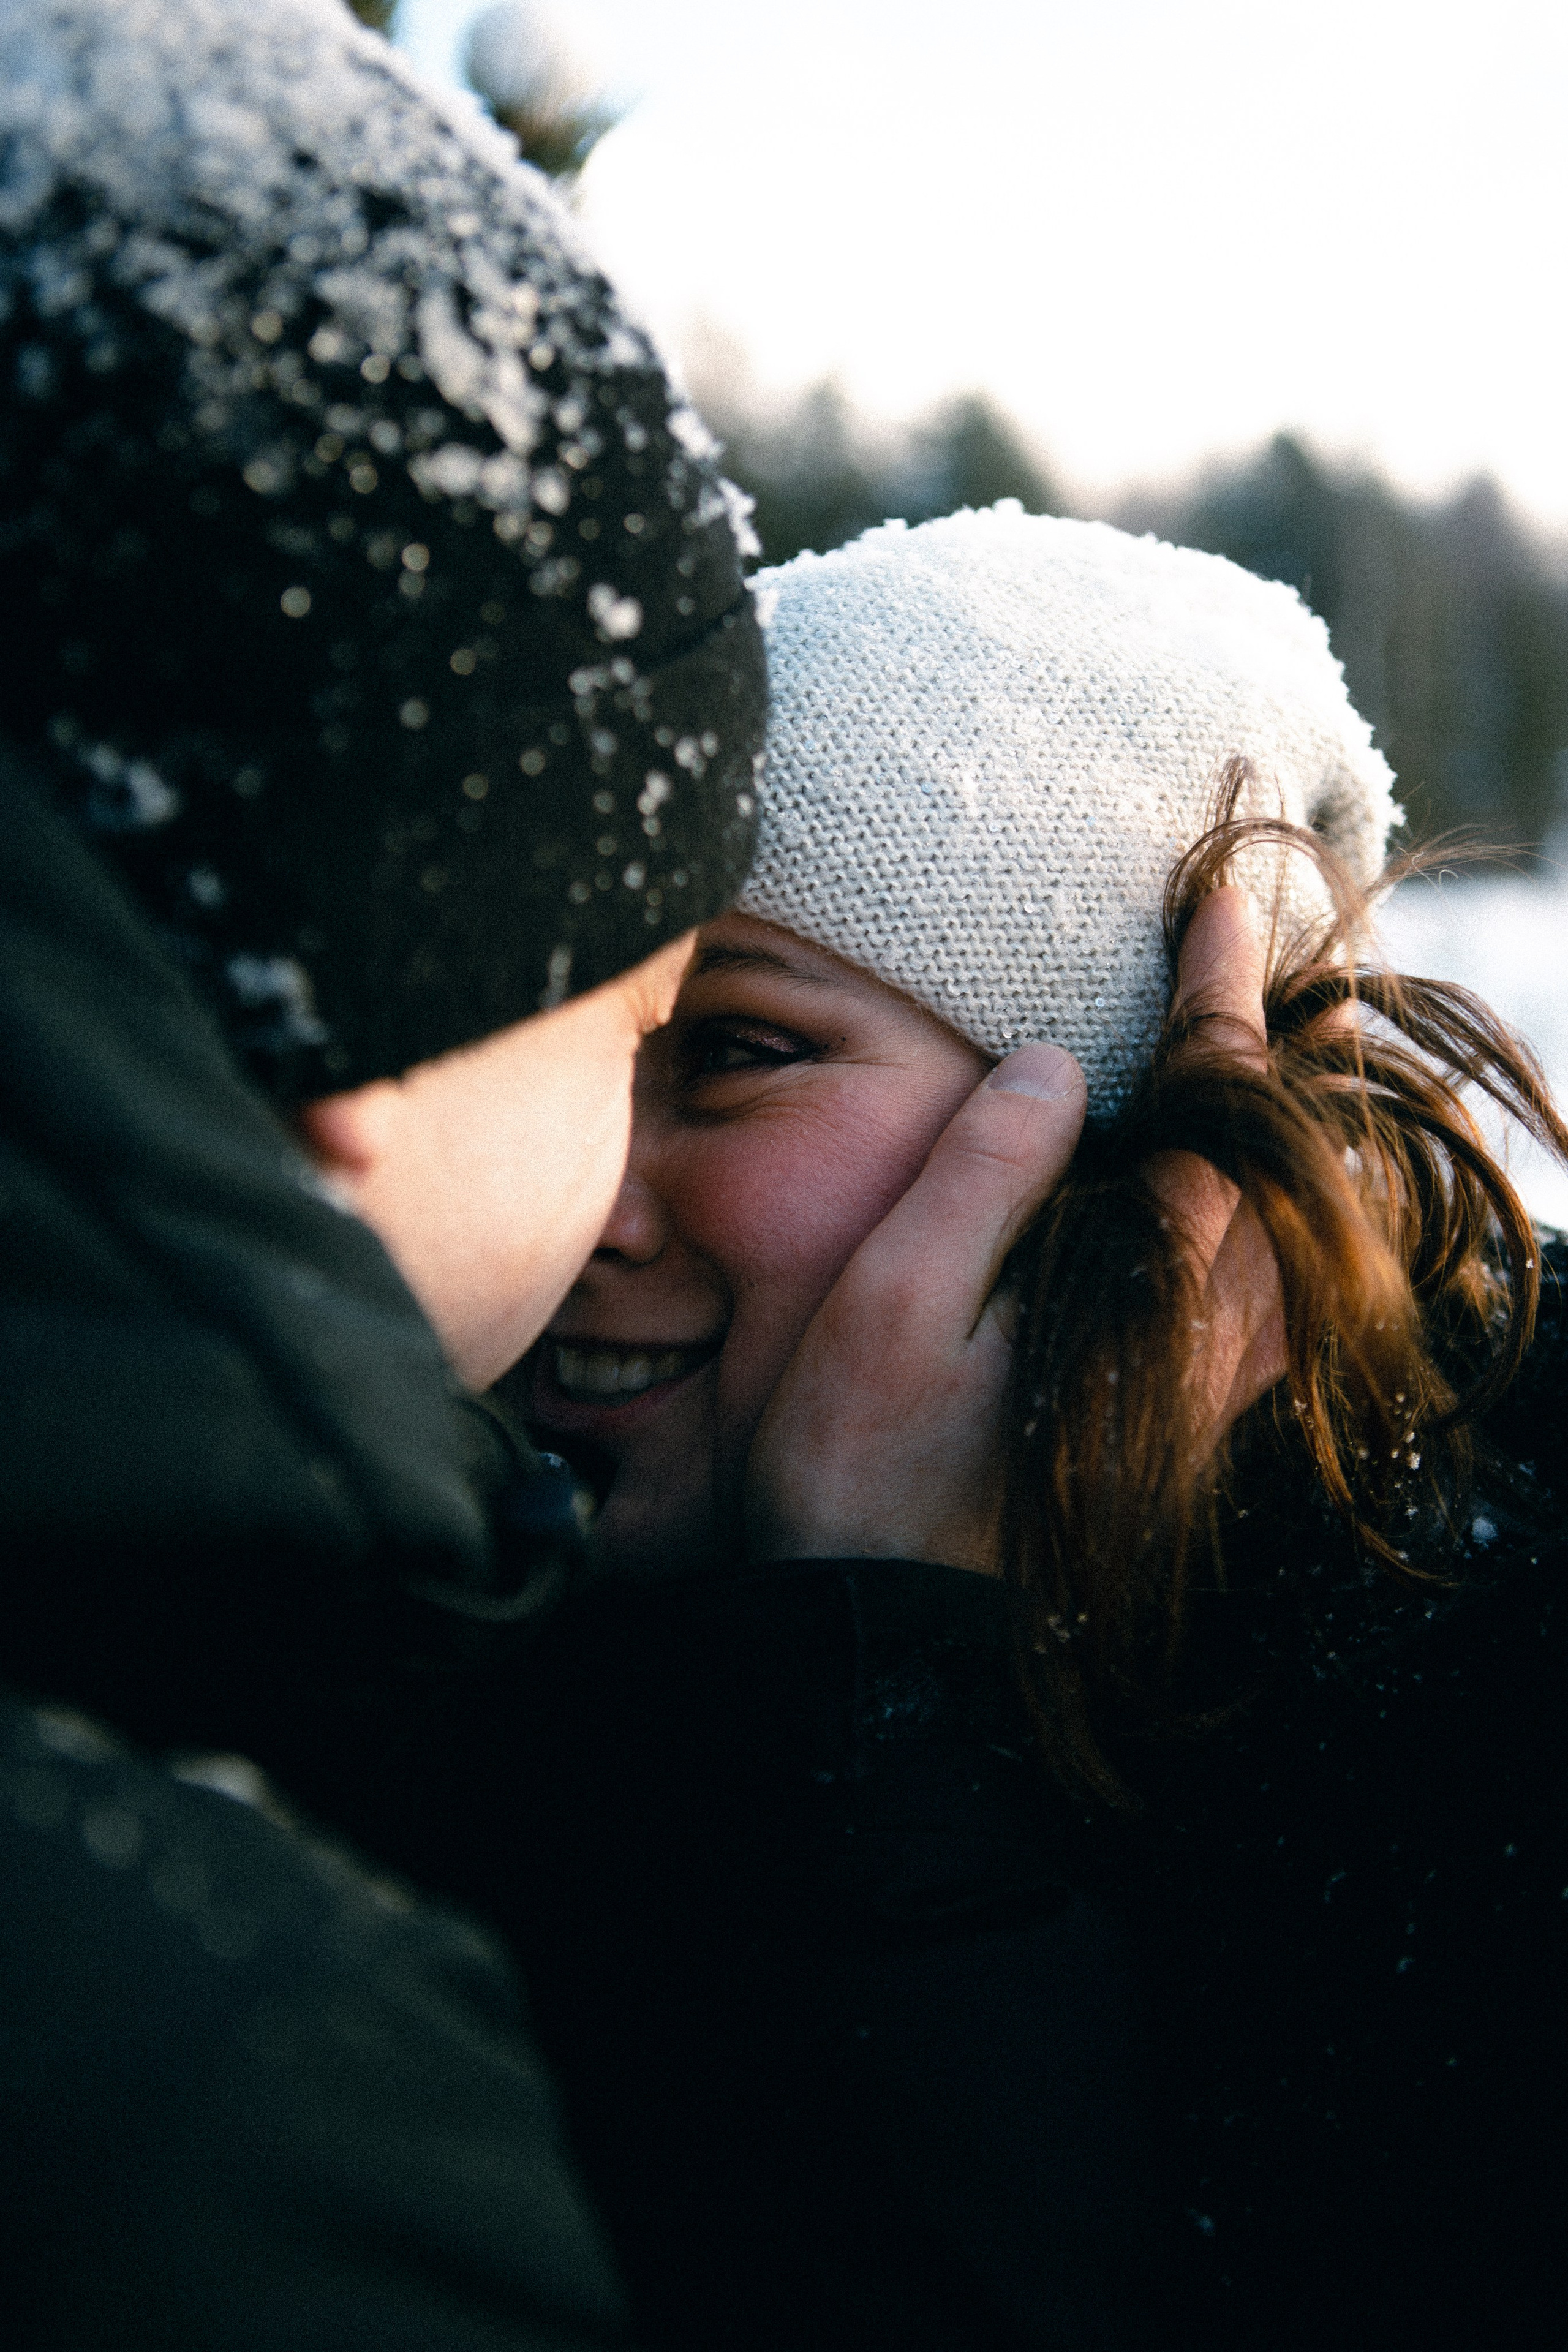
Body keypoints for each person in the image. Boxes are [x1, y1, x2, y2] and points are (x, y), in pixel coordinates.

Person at [2, 12, 1256, 2340]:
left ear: (1075, 1105)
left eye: (739, 1048)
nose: (609, 1184)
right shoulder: (214, 2090)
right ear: (357, 999)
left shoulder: (1429, 1682)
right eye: (625, 1014)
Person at [496, 510, 1568, 2351]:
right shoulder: (461, 1627)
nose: (580, 1200)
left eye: (737, 1052)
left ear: (1139, 1116)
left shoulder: (1490, 1721)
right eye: (564, 1059)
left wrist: (898, 1710)